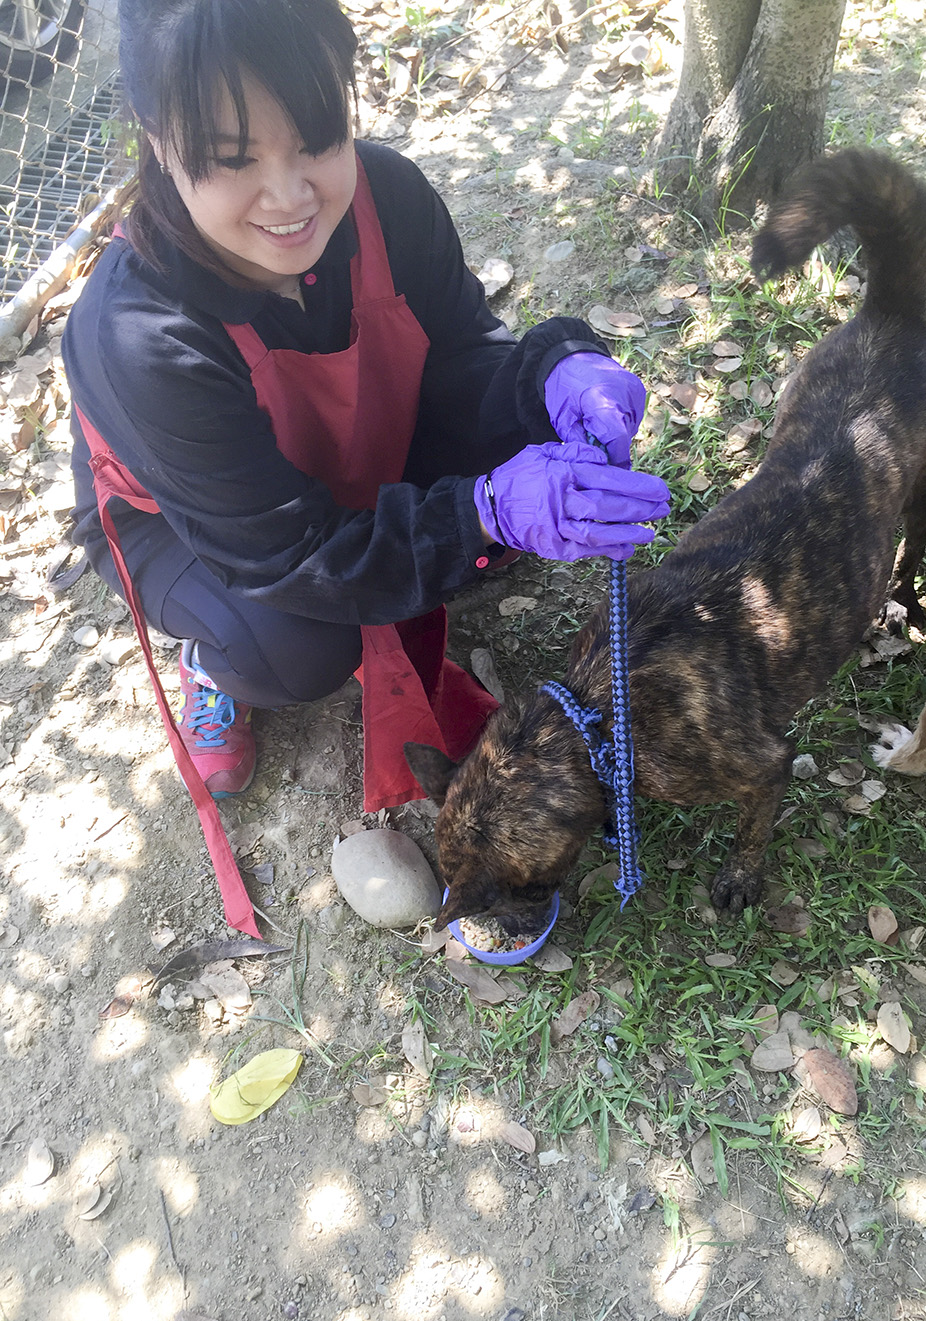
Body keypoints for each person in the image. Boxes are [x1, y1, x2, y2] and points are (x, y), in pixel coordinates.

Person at [63, 0, 670, 931]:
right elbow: (291, 555)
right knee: (298, 643)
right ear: (156, 137)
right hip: (196, 529)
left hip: (339, 451)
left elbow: (459, 347)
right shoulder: (138, 336)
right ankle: (211, 658)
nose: (290, 196)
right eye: (232, 158)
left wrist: (550, 371)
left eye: (318, 138)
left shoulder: (389, 194)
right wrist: (482, 514)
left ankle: (421, 525)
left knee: (521, 437)